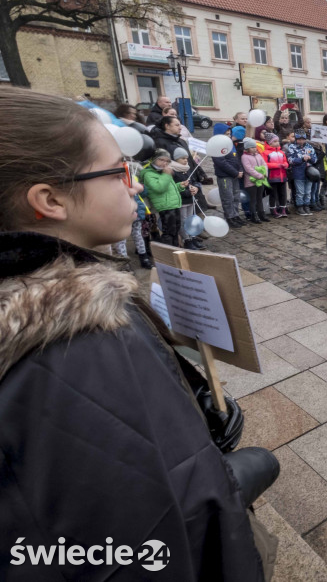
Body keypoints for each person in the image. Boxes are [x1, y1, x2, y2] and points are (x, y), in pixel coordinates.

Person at [0, 87, 277, 580]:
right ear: (51, 199)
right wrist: (223, 482)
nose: (133, 187)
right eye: (117, 171)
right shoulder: (81, 343)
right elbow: (144, 533)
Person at [140, 149, 183, 246]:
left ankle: (176, 250)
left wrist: (180, 186)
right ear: (153, 159)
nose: (164, 163)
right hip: (165, 206)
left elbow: (169, 188)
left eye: (167, 161)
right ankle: (168, 252)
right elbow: (160, 188)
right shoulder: (149, 174)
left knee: (176, 230)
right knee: (168, 231)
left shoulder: (163, 173)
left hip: (173, 204)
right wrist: (166, 175)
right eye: (161, 160)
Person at [170, 147, 205, 250]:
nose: (185, 160)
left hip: (191, 199)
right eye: (182, 158)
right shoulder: (173, 171)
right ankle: (186, 240)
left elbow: (193, 181)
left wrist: (196, 188)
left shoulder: (187, 169)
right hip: (182, 200)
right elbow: (175, 186)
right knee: (183, 220)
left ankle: (192, 236)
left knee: (190, 219)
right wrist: (187, 192)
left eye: (186, 158)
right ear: (176, 159)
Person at [214, 125, 248, 228]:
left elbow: (236, 159)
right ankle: (229, 217)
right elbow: (221, 162)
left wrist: (240, 170)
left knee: (235, 196)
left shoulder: (230, 145)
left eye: (229, 134)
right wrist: (235, 172)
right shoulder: (217, 146)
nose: (228, 136)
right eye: (226, 134)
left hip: (235, 175)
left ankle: (235, 215)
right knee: (227, 197)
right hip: (225, 176)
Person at [286, 131, 317, 215]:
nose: (301, 141)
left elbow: (315, 159)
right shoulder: (292, 147)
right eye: (299, 139)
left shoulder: (310, 147)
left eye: (303, 139)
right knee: (300, 192)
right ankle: (300, 207)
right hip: (298, 172)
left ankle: (307, 206)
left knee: (308, 191)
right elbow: (290, 160)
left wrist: (310, 158)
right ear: (296, 139)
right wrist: (302, 159)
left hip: (309, 173)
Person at [241, 138, 270, 223]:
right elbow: (248, 169)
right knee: (253, 199)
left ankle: (261, 213)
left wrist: (265, 173)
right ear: (247, 148)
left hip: (261, 180)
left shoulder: (258, 155)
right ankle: (254, 214)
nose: (254, 148)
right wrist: (259, 175)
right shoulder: (245, 157)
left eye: (255, 147)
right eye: (252, 147)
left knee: (259, 198)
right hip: (251, 182)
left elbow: (264, 164)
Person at [264, 134, 290, 218]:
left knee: (283, 193)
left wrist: (285, 165)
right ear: (269, 142)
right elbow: (264, 164)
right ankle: (273, 210)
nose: (277, 143)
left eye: (277, 141)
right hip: (272, 177)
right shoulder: (266, 153)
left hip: (282, 177)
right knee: (273, 194)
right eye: (274, 141)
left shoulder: (281, 152)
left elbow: (286, 161)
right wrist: (277, 165)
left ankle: (283, 209)